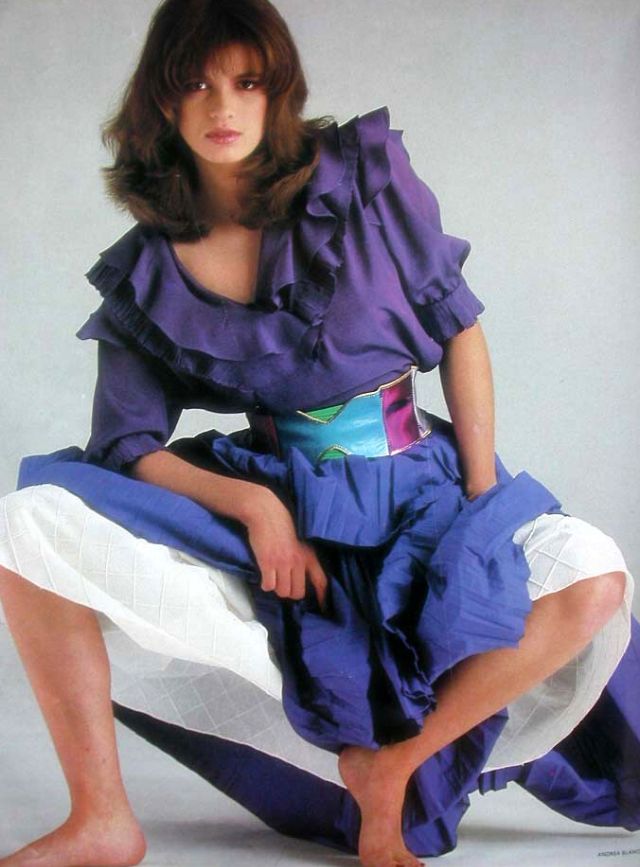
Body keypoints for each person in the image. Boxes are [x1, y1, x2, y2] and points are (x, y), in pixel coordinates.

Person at [0, 0, 638, 865]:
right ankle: (102, 819)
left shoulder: (360, 182)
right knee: (28, 521)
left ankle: (392, 764)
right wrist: (256, 507)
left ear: (279, 92)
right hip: (290, 517)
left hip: (425, 490)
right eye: (196, 85)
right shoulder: (151, 266)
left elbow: (460, 329)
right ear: (161, 99)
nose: (223, 108)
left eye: (247, 82)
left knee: (593, 575)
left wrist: (483, 497)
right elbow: (127, 445)